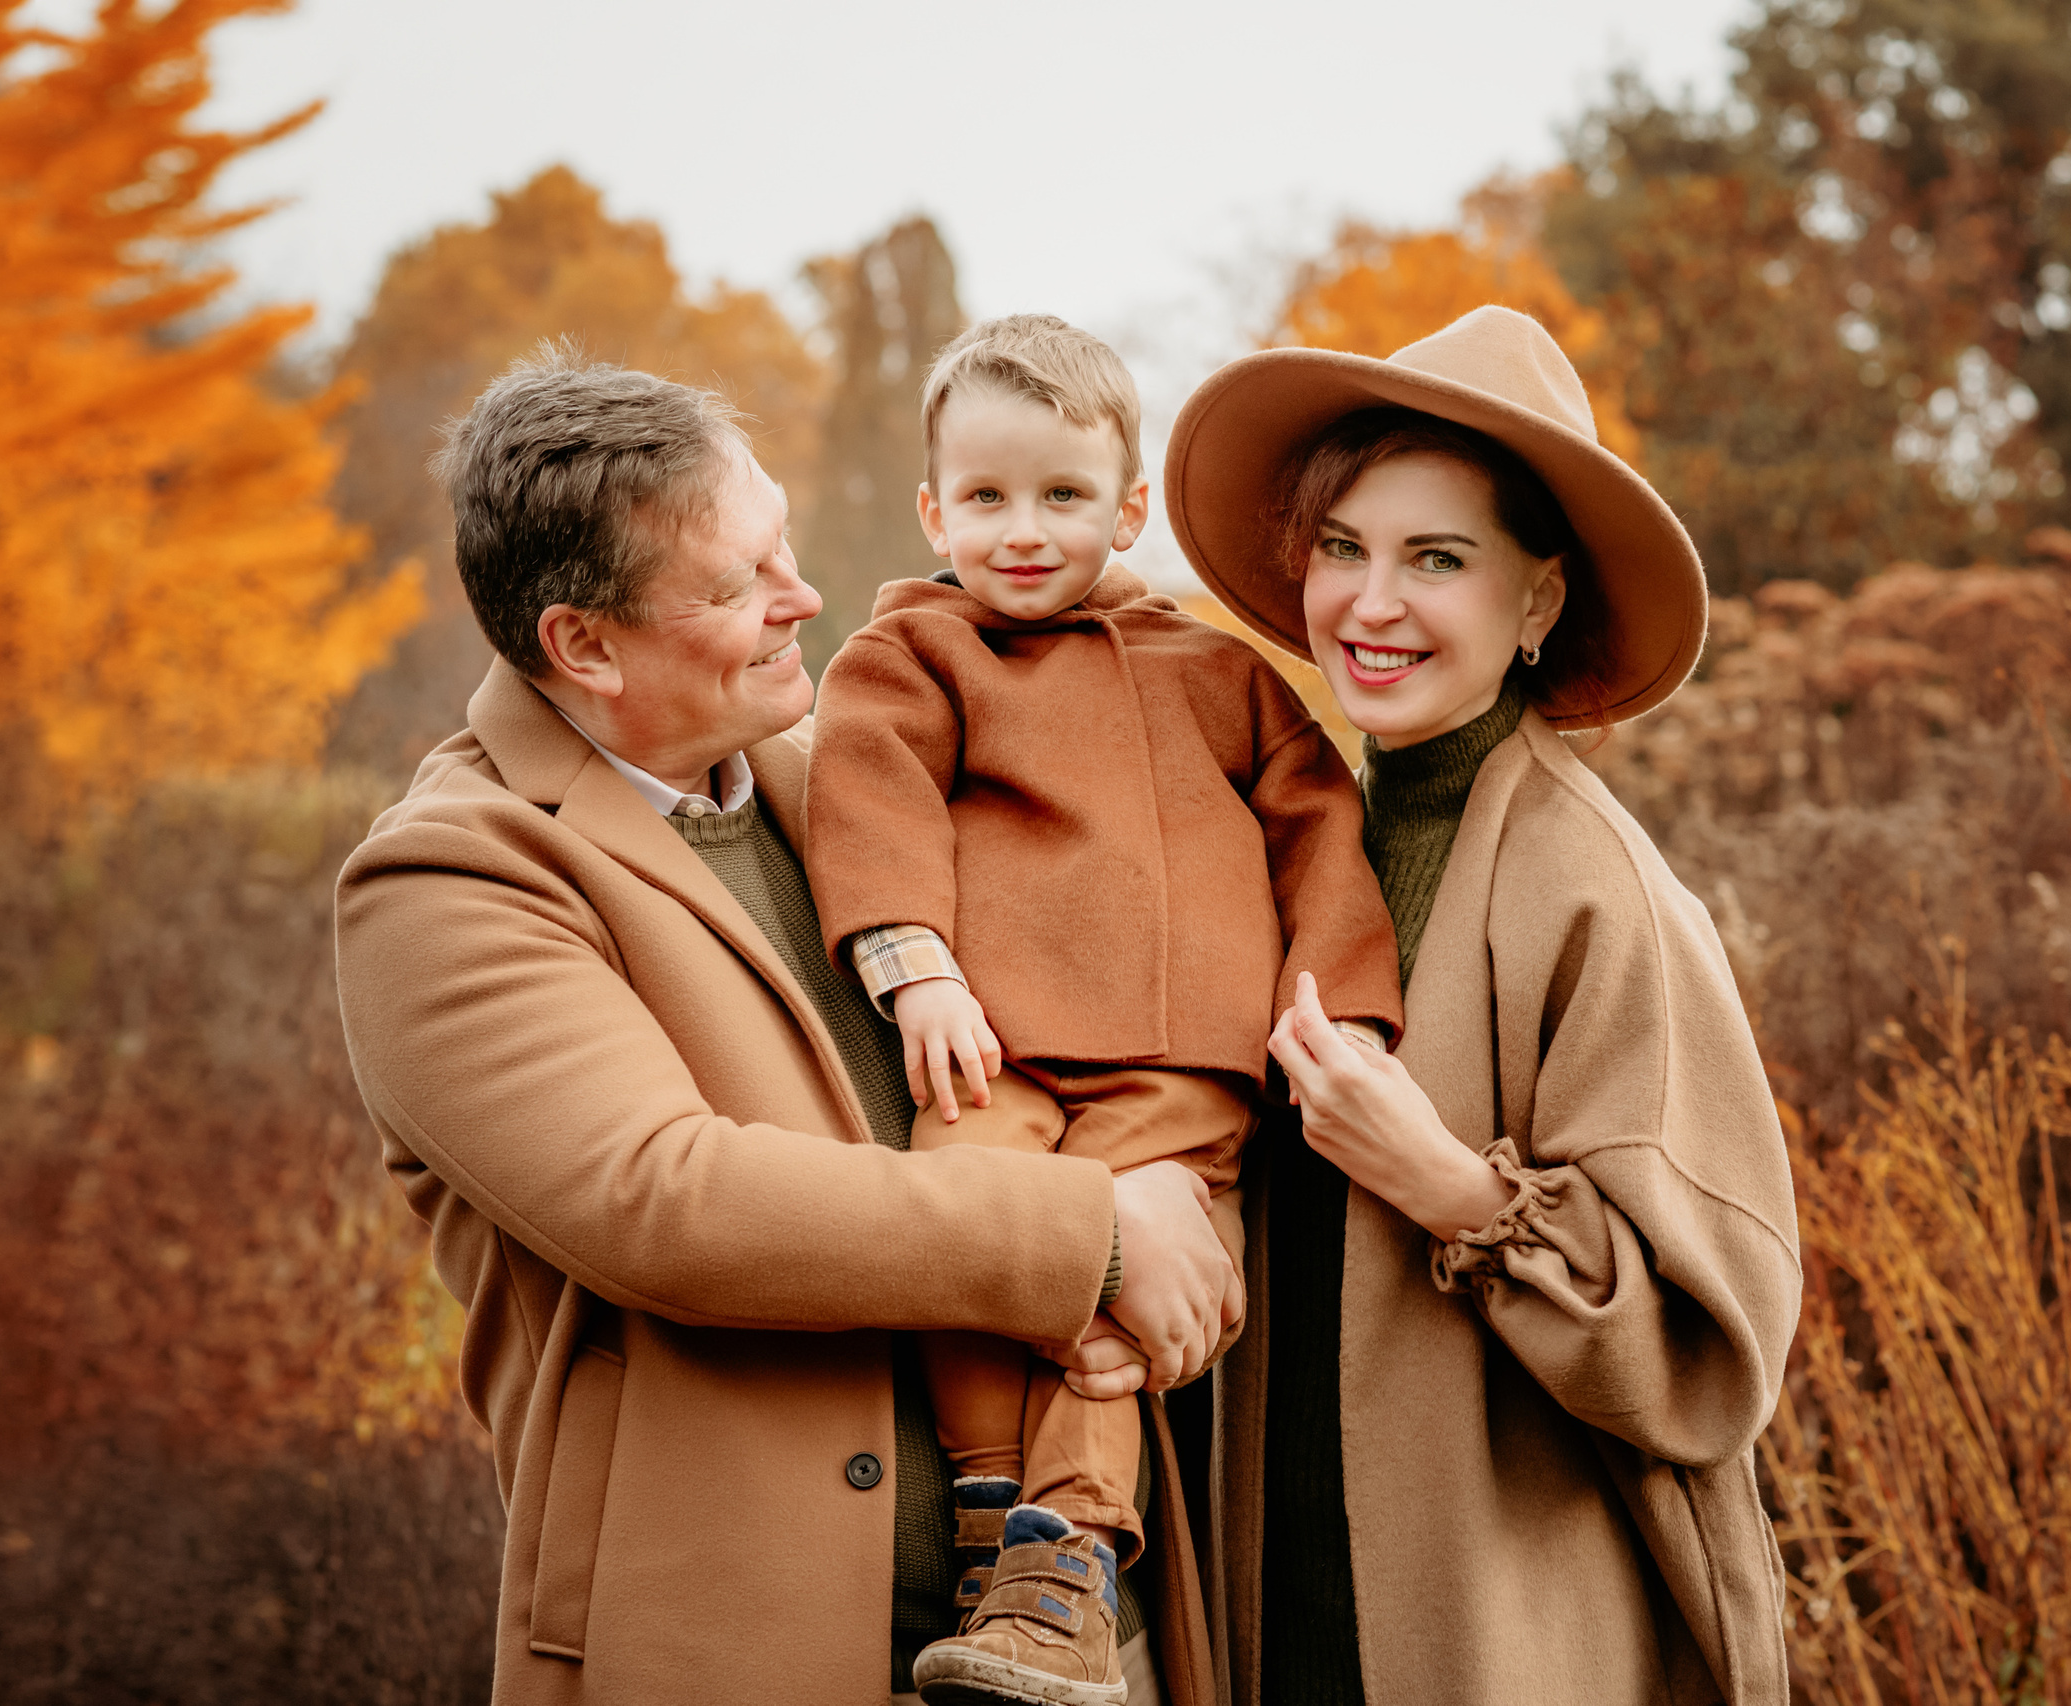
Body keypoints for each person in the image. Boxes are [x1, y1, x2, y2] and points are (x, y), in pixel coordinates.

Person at [331, 350, 1241, 1706]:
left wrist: (1189, 1200)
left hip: (1074, 1639)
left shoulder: (856, 787)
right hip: (743, 1649)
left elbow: (1099, 995)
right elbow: (671, 1201)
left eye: (786, 548)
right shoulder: (451, 882)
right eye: (736, 585)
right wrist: (1100, 1235)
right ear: (584, 643)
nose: (801, 600)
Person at [1162, 306, 1803, 1705]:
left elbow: (1709, 1358)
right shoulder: (1289, 830)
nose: (1368, 604)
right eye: (1343, 548)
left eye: (1434, 560)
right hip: (1269, 1588)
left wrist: (1453, 1188)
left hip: (1495, 1619)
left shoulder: (1603, 895)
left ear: (1537, 602)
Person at [806, 314, 1402, 1706]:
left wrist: (1341, 1021)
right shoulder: (913, 653)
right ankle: (989, 1508)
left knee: (1129, 1286)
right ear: (932, 507)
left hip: (1181, 1061)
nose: (1024, 529)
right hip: (992, 1036)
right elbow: (869, 787)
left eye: (1064, 496)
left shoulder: (1222, 671)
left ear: (1128, 508)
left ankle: (1063, 1557)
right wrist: (916, 961)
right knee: (962, 1214)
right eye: (987, 497)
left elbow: (1317, 831)